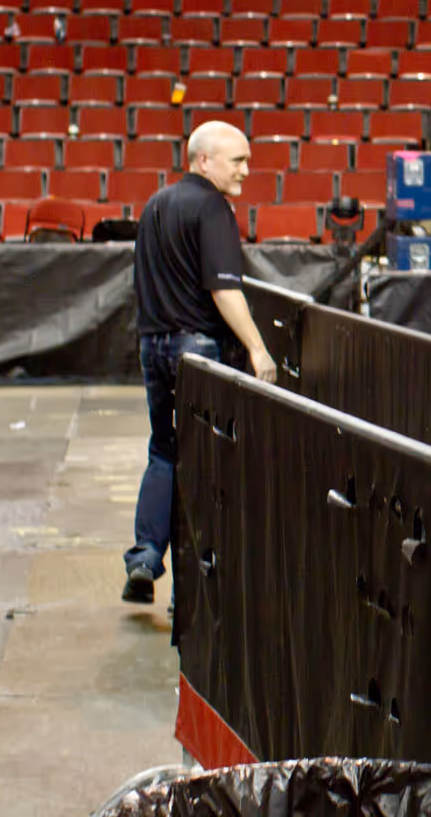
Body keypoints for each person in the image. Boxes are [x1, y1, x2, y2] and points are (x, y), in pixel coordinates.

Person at [123, 121, 279, 605]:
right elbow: (224, 288)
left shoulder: (155, 205)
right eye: (238, 160)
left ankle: (146, 556)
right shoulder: (213, 207)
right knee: (205, 462)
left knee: (163, 451)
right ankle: (191, 583)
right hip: (197, 350)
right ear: (204, 160)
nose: (247, 171)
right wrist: (257, 348)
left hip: (152, 346)